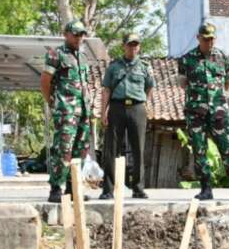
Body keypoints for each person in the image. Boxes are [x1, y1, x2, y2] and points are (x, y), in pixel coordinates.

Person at [177, 22, 229, 201]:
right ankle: (206, 189)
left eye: (211, 39)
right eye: (205, 39)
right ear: (198, 38)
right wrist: (198, 97)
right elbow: (182, 83)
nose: (209, 43)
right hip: (196, 113)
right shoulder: (186, 59)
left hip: (219, 112)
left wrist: (218, 99)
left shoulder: (223, 57)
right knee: (199, 149)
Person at [41, 20, 92, 203]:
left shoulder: (84, 56)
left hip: (83, 112)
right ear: (66, 34)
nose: (80, 38)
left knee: (81, 151)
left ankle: (73, 189)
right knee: (63, 150)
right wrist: (52, 103)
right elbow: (45, 82)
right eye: (76, 34)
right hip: (66, 111)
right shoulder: (56, 54)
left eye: (82, 34)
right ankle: (56, 188)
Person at [99, 33, 155, 199]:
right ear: (124, 46)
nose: (133, 48)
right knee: (111, 149)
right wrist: (104, 112)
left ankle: (138, 188)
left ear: (139, 47)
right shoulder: (114, 66)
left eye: (136, 45)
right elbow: (107, 90)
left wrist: (146, 104)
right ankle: (108, 190)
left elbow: (150, 86)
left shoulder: (145, 66)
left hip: (137, 108)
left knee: (138, 149)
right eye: (130, 44)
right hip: (116, 107)